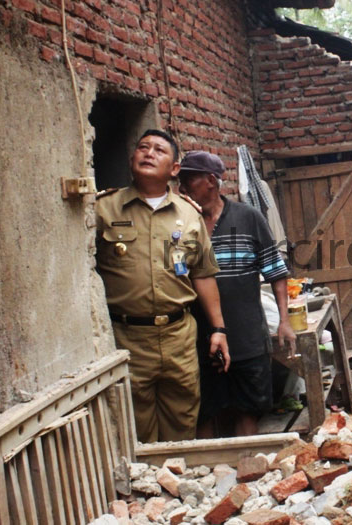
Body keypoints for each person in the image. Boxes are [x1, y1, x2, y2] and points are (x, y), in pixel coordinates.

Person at [95, 129, 230, 443]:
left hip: (177, 336)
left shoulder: (188, 215)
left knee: (182, 420)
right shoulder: (104, 209)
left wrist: (219, 329)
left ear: (174, 169)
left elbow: (203, 274)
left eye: (158, 149)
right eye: (142, 147)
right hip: (126, 338)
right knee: (133, 426)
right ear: (132, 159)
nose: (148, 153)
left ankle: (177, 484)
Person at [176, 151, 295, 438]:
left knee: (247, 409)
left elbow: (275, 272)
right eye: (180, 181)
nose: (182, 188)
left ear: (211, 181)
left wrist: (284, 320)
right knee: (204, 411)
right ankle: (207, 476)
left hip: (246, 334)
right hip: (198, 336)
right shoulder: (181, 222)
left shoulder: (248, 218)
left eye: (189, 180)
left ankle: (247, 474)